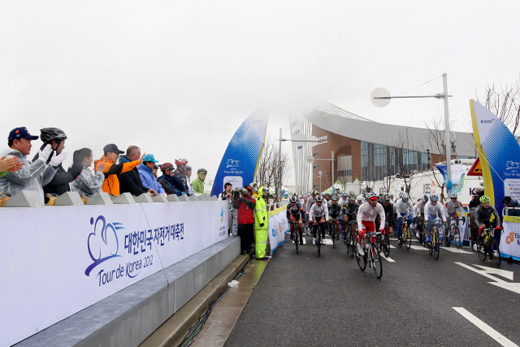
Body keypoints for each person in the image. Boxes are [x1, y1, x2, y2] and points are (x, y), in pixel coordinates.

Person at [0, 127, 60, 203]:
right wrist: (41, 160)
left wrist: (52, 166)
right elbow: (23, 178)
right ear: (15, 142)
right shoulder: (7, 160)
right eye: (28, 141)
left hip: (31, 209)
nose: (30, 145)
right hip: (15, 210)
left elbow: (41, 181)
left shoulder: (27, 162)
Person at [34, 127, 81, 203]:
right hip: (49, 205)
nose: (63, 146)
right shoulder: (42, 159)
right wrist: (73, 173)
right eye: (63, 143)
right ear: (54, 143)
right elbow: (52, 178)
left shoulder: (54, 158)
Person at [233, 185, 256, 254]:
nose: (247, 193)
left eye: (249, 191)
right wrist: (235, 197)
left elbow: (251, 204)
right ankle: (243, 249)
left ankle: (248, 248)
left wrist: (242, 198)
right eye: (246, 191)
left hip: (249, 220)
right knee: (242, 236)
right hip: (241, 221)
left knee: (249, 236)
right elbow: (235, 206)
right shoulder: (240, 199)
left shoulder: (252, 199)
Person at [254, 186, 269, 260]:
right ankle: (260, 255)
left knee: (263, 240)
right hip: (261, 225)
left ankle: (261, 254)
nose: (265, 193)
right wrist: (261, 222)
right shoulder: (259, 200)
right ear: (261, 192)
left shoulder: (262, 200)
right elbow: (258, 212)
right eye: (264, 192)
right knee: (260, 240)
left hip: (264, 225)